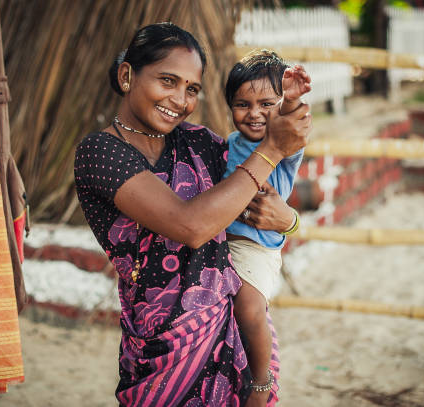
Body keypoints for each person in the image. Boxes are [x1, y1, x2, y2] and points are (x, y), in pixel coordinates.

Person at [74, 22, 311, 406]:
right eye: (168, 80)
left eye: (192, 89)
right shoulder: (101, 153)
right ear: (127, 75)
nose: (179, 99)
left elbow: (261, 188)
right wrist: (271, 150)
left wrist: (290, 222)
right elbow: (191, 225)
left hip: (234, 333)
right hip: (161, 349)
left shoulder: (199, 142)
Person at [223, 50, 311, 406]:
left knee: (248, 310)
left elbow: (289, 121)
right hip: (226, 243)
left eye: (267, 103)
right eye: (242, 104)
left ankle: (260, 382)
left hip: (256, 247)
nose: (255, 113)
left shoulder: (283, 145)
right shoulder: (229, 143)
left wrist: (290, 99)